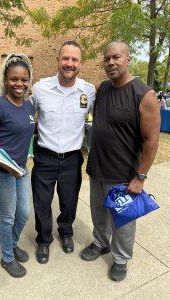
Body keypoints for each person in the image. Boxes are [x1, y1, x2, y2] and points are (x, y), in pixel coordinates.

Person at [81, 41, 160, 281]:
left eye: (116, 57)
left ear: (128, 59)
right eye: (106, 59)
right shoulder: (102, 89)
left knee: (123, 223)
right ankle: (100, 242)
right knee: (98, 214)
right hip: (98, 168)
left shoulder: (144, 94)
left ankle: (121, 259)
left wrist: (140, 177)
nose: (110, 62)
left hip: (124, 175)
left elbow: (151, 142)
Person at [30, 40, 96, 264]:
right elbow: (25, 118)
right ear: (58, 60)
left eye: (74, 59)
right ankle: (43, 239)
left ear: (81, 63)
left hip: (72, 159)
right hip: (45, 157)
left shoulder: (88, 91)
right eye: (65, 58)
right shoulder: (40, 89)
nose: (69, 63)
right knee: (41, 203)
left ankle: (66, 232)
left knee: (69, 201)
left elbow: (106, 119)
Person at [0, 54, 35, 278]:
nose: (19, 84)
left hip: (21, 171)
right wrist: (7, 166)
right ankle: (7, 257)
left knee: (23, 213)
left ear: (29, 80)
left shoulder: (29, 105)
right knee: (7, 217)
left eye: (23, 79)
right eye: (14, 79)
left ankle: (12, 243)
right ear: (5, 79)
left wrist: (18, 167)